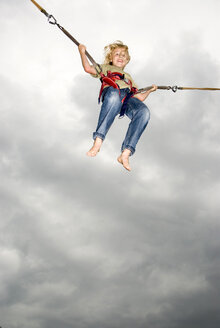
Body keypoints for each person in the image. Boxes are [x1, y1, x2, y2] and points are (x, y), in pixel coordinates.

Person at [78, 41, 157, 171]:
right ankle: (98, 139)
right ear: (110, 58)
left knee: (144, 112)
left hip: (128, 98)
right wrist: (82, 52)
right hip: (113, 91)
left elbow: (140, 97)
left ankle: (126, 152)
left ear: (127, 61)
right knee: (114, 96)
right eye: (117, 54)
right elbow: (88, 68)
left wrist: (149, 90)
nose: (121, 57)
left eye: (124, 55)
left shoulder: (129, 78)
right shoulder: (105, 67)